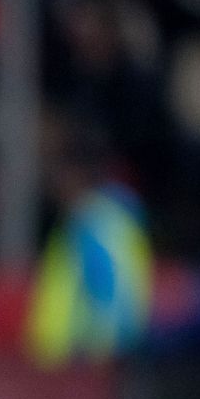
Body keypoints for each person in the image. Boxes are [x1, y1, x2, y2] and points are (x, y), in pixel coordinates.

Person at [26, 156, 151, 366]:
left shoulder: (94, 225)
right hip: (81, 346)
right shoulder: (103, 221)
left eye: (61, 183)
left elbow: (106, 284)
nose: (57, 193)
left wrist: (101, 345)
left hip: (83, 348)